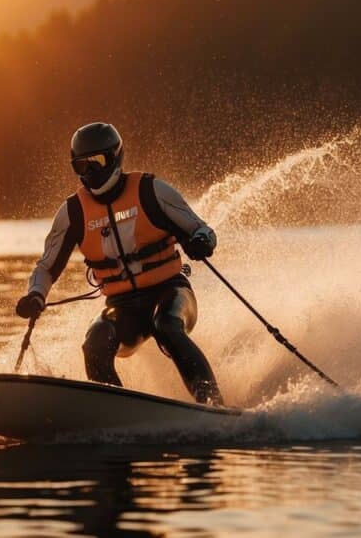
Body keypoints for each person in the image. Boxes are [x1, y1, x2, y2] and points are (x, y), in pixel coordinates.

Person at [15, 122, 224, 405]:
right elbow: (45, 267)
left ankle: (212, 401)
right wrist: (35, 295)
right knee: (95, 343)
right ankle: (118, 409)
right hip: (123, 307)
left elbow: (202, 229)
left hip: (172, 293)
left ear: (114, 157)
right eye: (80, 166)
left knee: (165, 325)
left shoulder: (151, 190)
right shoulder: (73, 212)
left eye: (95, 163)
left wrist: (200, 242)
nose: (89, 173)